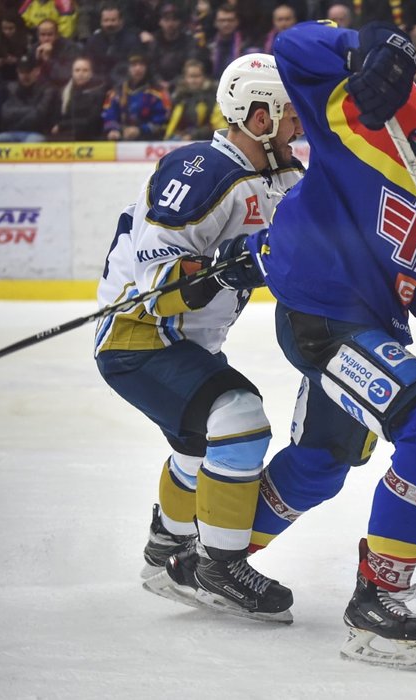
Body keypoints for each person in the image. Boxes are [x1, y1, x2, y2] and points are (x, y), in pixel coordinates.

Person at [183, 22, 416, 668]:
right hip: (321, 308)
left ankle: (216, 553)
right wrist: (365, 48)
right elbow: (288, 49)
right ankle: (378, 596)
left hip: (374, 325)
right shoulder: (383, 107)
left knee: (322, 462)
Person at [93, 53, 304, 622]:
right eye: (292, 115)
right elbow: (155, 284)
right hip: (139, 337)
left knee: (196, 446)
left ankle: (166, 547)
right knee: (239, 417)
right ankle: (219, 565)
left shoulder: (283, 173)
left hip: (190, 341)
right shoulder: (199, 170)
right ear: (260, 117)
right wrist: (227, 265)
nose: (300, 125)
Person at [100, 52, 170, 140]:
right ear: (127, 68)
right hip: (120, 138)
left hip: (149, 140)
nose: (138, 68)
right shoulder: (117, 92)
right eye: (134, 65)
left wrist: (140, 130)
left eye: (141, 65)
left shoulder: (157, 93)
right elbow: (110, 114)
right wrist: (113, 129)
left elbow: (161, 120)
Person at [51, 55, 106, 140]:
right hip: (66, 136)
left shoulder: (99, 91)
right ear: (72, 72)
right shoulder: (64, 92)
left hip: (91, 136)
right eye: (77, 70)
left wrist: (62, 125)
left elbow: (92, 120)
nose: (80, 74)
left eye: (85, 70)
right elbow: (57, 118)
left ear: (91, 73)